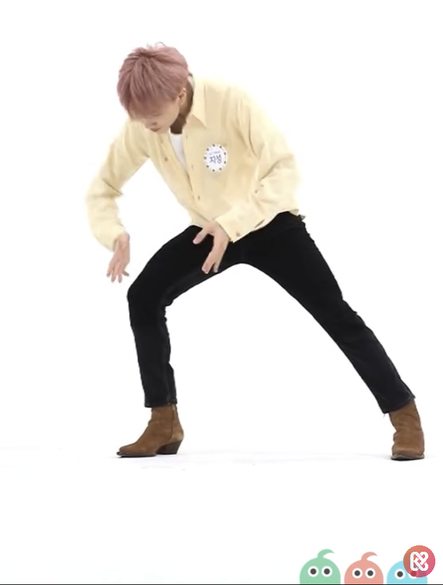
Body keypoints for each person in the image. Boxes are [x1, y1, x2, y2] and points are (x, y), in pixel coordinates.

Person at [85, 42, 425, 461]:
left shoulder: (230, 101)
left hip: (268, 223)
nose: (147, 126)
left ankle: (404, 415)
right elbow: (102, 187)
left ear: (179, 93)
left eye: (153, 117)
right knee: (143, 296)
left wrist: (232, 224)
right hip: (209, 232)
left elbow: (283, 169)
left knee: (336, 314)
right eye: (139, 119)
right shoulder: (142, 125)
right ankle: (163, 421)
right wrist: (113, 232)